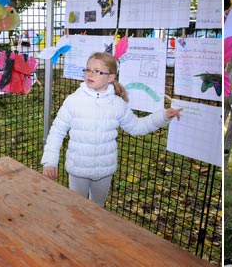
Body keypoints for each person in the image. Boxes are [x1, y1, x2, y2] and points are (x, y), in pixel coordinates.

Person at [41, 52, 182, 206]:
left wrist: (163, 116)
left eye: (97, 71)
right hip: (77, 169)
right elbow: (56, 132)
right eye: (88, 70)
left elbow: (137, 127)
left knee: (98, 210)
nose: (90, 74)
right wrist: (50, 161)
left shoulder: (117, 104)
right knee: (77, 208)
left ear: (110, 77)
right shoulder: (73, 101)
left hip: (104, 171)